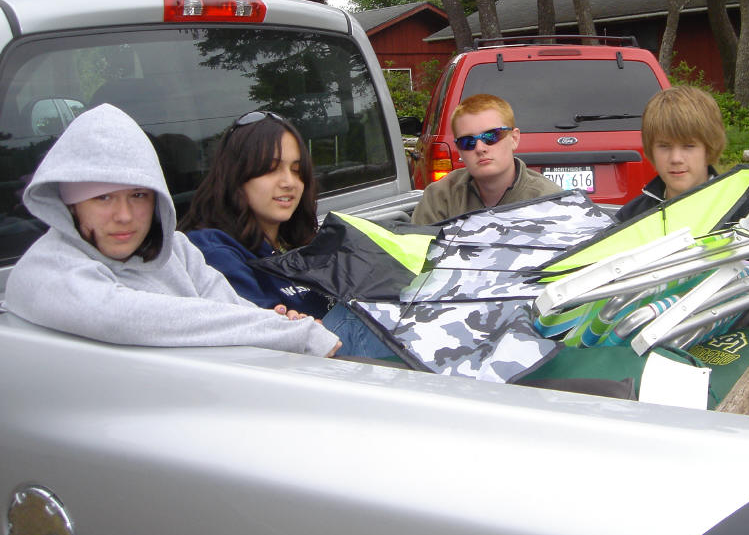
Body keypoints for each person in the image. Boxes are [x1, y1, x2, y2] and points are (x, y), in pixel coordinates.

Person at [2, 104, 340, 358]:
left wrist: (282, 325)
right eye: (103, 197)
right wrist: (289, 332)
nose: (124, 216)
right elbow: (123, 316)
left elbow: (229, 307)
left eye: (138, 195)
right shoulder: (46, 271)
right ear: (70, 203)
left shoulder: (177, 249)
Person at [179, 110, 393, 359]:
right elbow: (263, 337)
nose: (289, 182)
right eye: (271, 169)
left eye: (297, 170)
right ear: (236, 176)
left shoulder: (298, 241)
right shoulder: (213, 251)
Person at [615, 85, 749, 228]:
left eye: (689, 146)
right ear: (651, 150)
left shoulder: (745, 202)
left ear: (708, 148)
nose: (676, 158)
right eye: (664, 146)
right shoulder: (632, 217)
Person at [412, 94, 562, 224]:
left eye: (491, 136)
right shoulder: (439, 198)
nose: (480, 148)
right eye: (467, 142)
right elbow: (418, 246)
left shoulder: (549, 201)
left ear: (514, 138)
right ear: (459, 150)